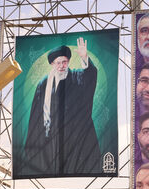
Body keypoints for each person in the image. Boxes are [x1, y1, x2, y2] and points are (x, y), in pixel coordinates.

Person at [20, 39, 102, 177]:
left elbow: (90, 74)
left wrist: (84, 57)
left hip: (76, 137)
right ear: (52, 64)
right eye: (58, 62)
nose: (62, 66)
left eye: (64, 62)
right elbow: (37, 113)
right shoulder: (43, 83)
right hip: (51, 138)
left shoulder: (77, 76)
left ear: (68, 62)